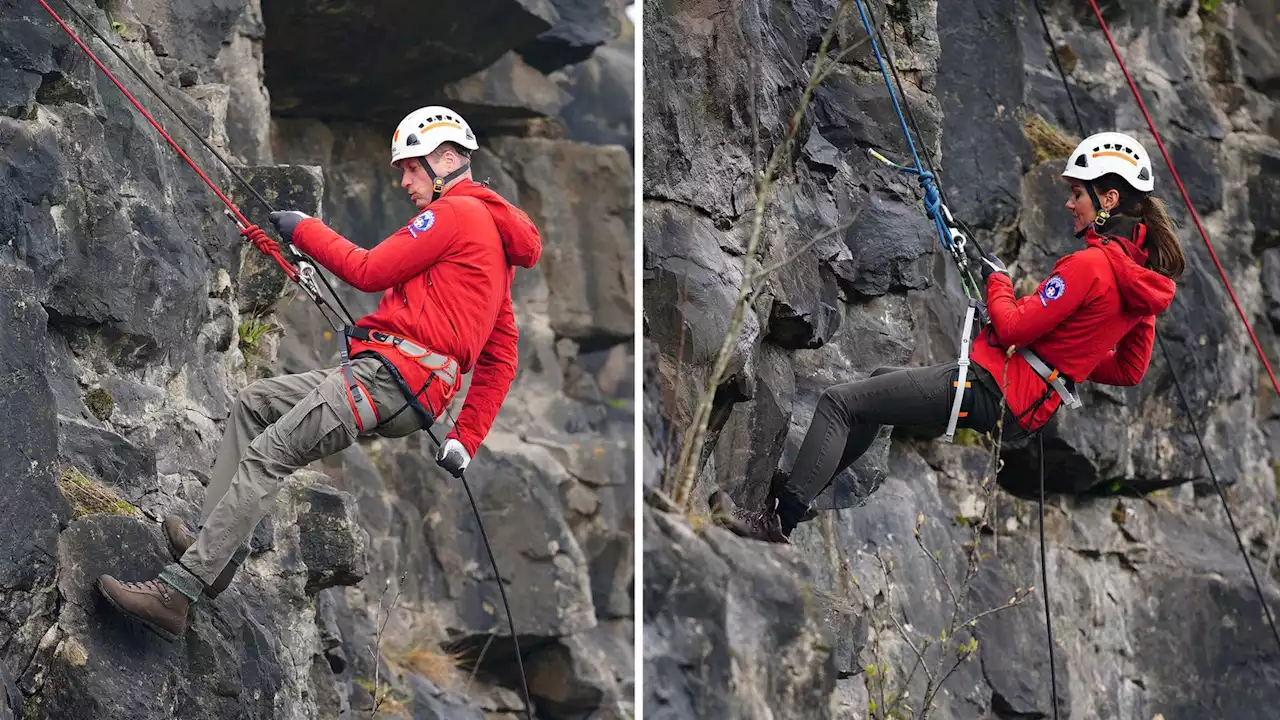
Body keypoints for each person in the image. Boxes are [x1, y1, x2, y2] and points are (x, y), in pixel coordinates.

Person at [97, 105, 542, 641]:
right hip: (405, 387)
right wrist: (465, 438)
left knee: (270, 454)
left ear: (447, 158)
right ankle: (210, 553)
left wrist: (304, 229)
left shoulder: (457, 215)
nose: (404, 181)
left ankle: (177, 592)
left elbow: (369, 268)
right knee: (256, 404)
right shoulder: (493, 248)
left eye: (412, 168)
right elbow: (501, 355)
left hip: (387, 378)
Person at [713, 131, 1186, 543]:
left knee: (841, 403)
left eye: (1078, 194)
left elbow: (1013, 326)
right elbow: (1128, 369)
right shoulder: (1143, 285)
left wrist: (998, 285)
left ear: (1107, 201)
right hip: (1022, 405)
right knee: (878, 385)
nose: (1069, 203)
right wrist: (1062, 359)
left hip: (991, 386)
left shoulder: (1089, 266)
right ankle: (801, 489)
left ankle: (777, 519)